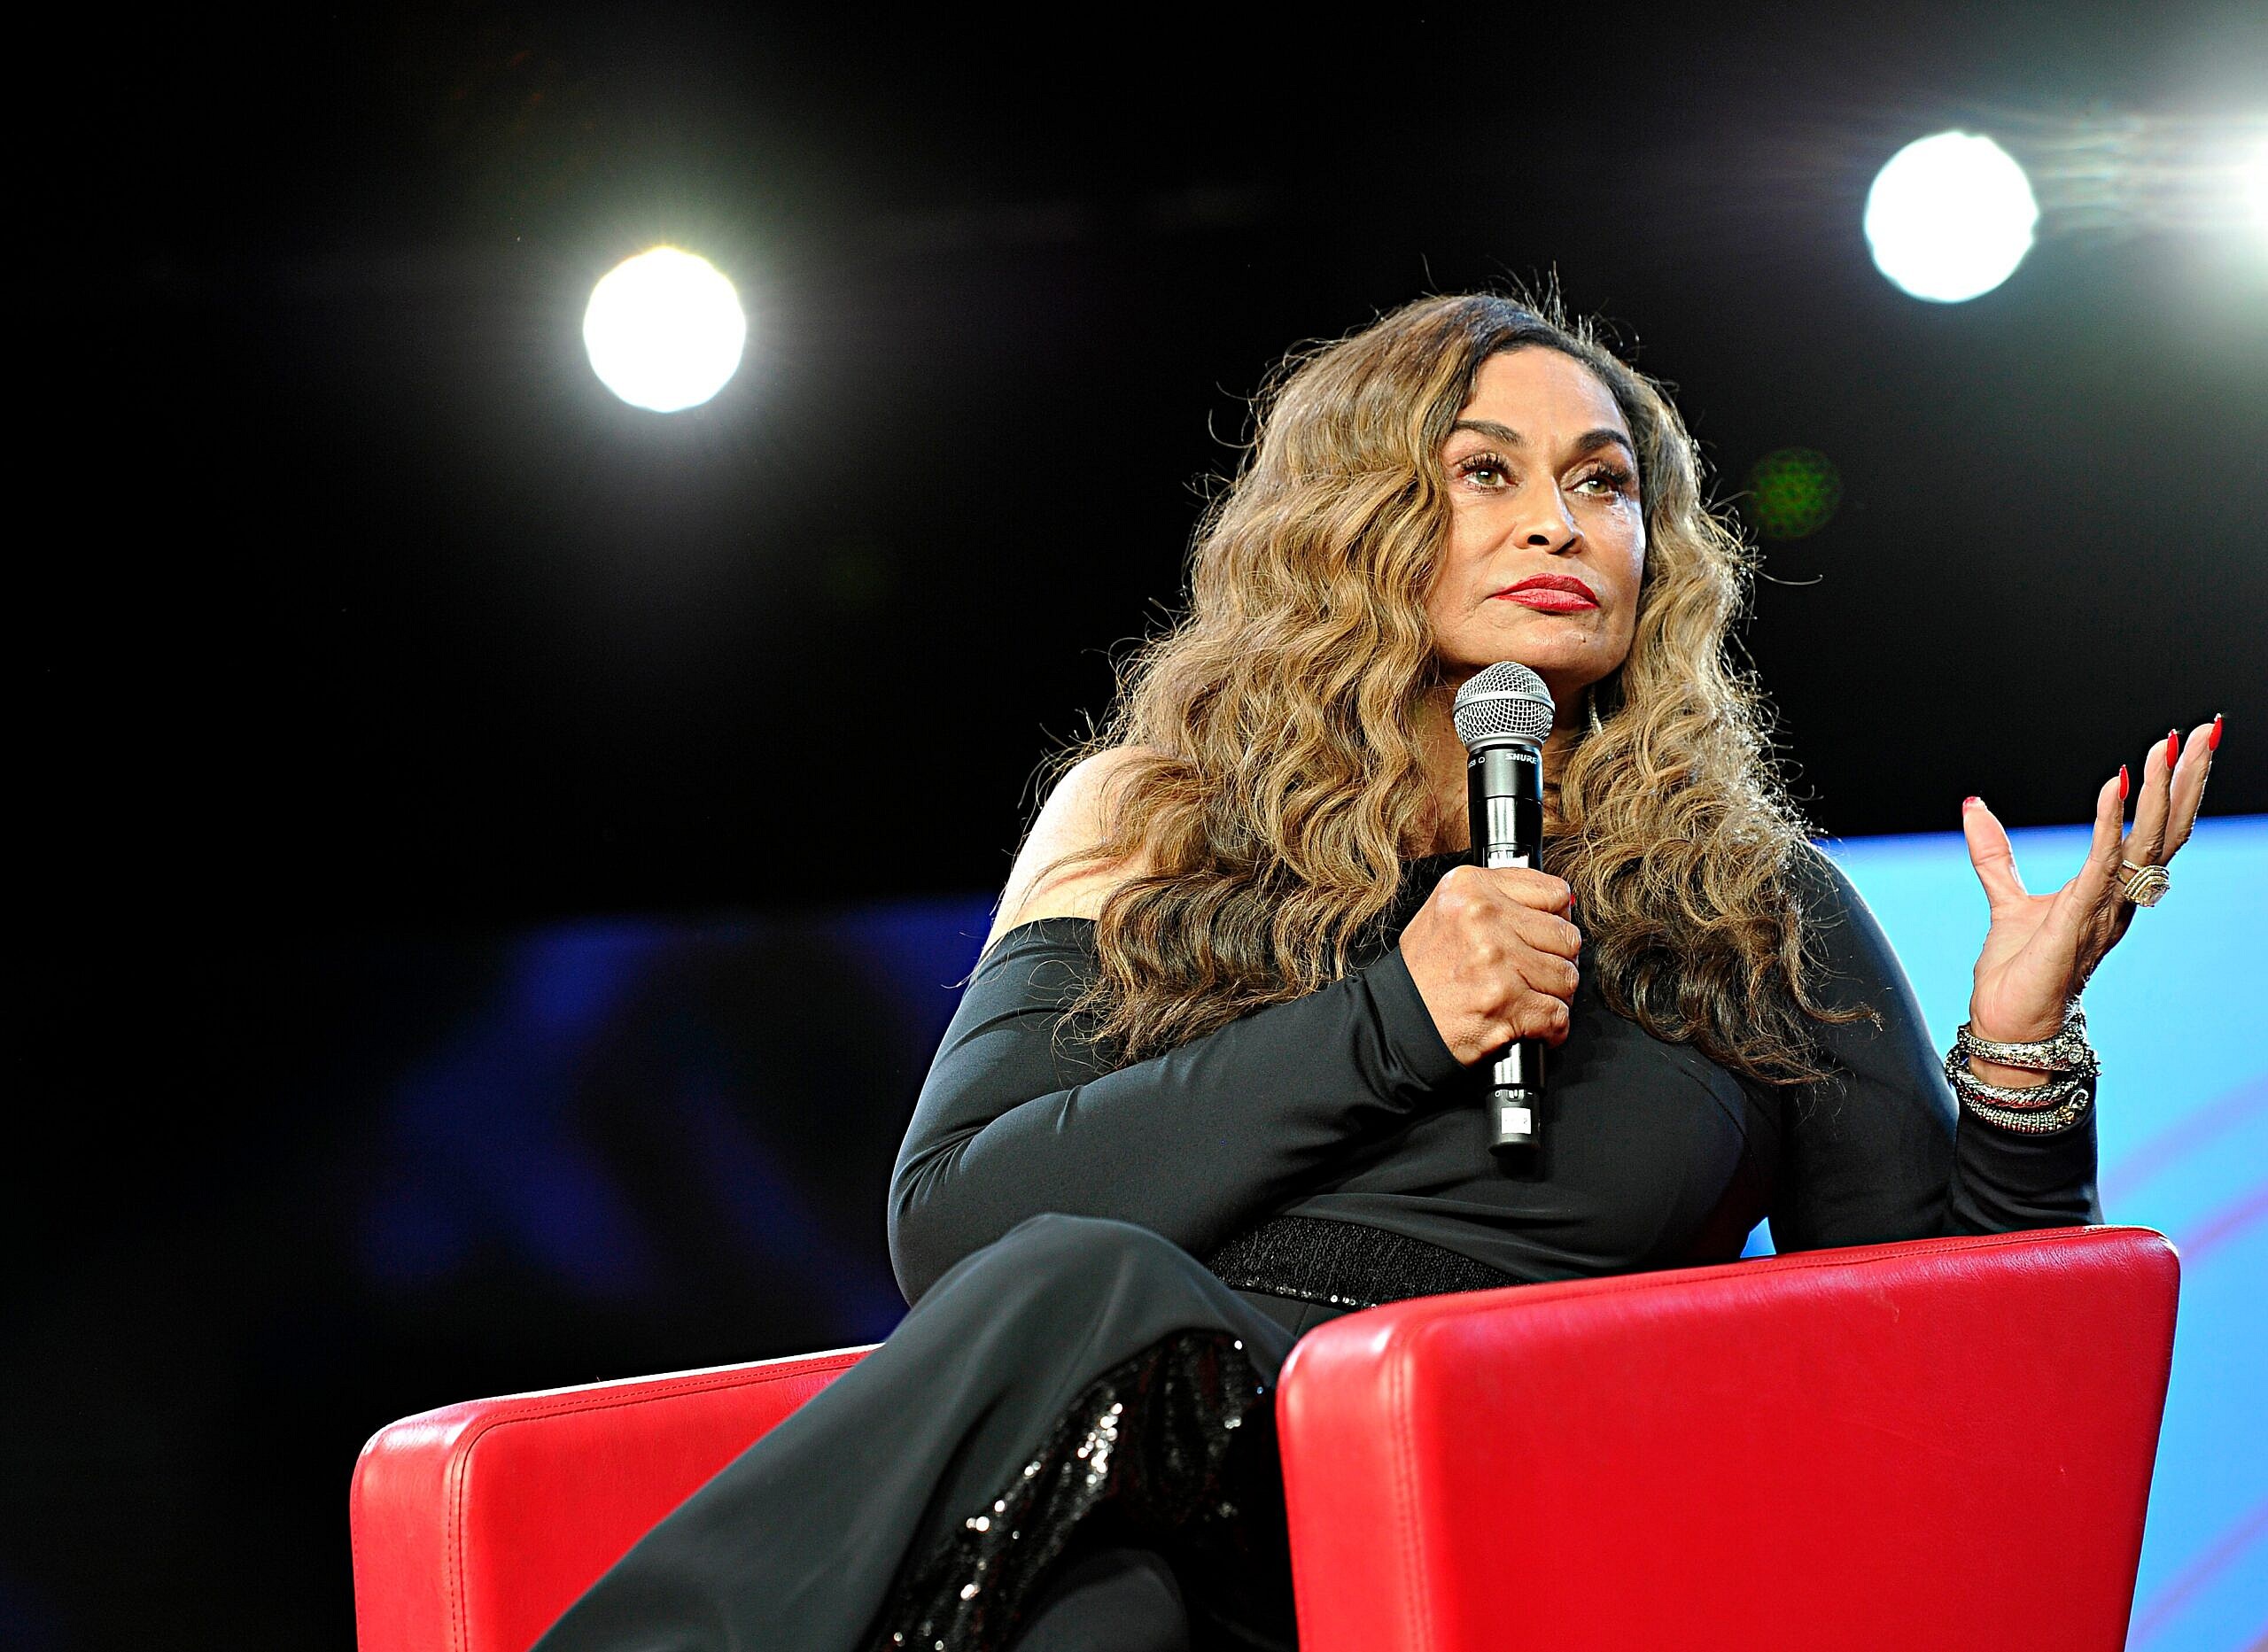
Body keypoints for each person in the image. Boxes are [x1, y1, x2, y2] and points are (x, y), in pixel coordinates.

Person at [534, 293, 2221, 1652]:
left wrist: (2019, 1048)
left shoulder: (1748, 900)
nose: (1558, 518)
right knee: (1092, 1596)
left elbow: (1954, 1386)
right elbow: (957, 1221)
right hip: (1160, 1487)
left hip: (1503, 1506)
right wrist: (1400, 1014)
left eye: (1605, 480)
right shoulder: (1154, 818)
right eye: (1486, 473)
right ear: (1362, 521)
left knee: (1093, 1302)